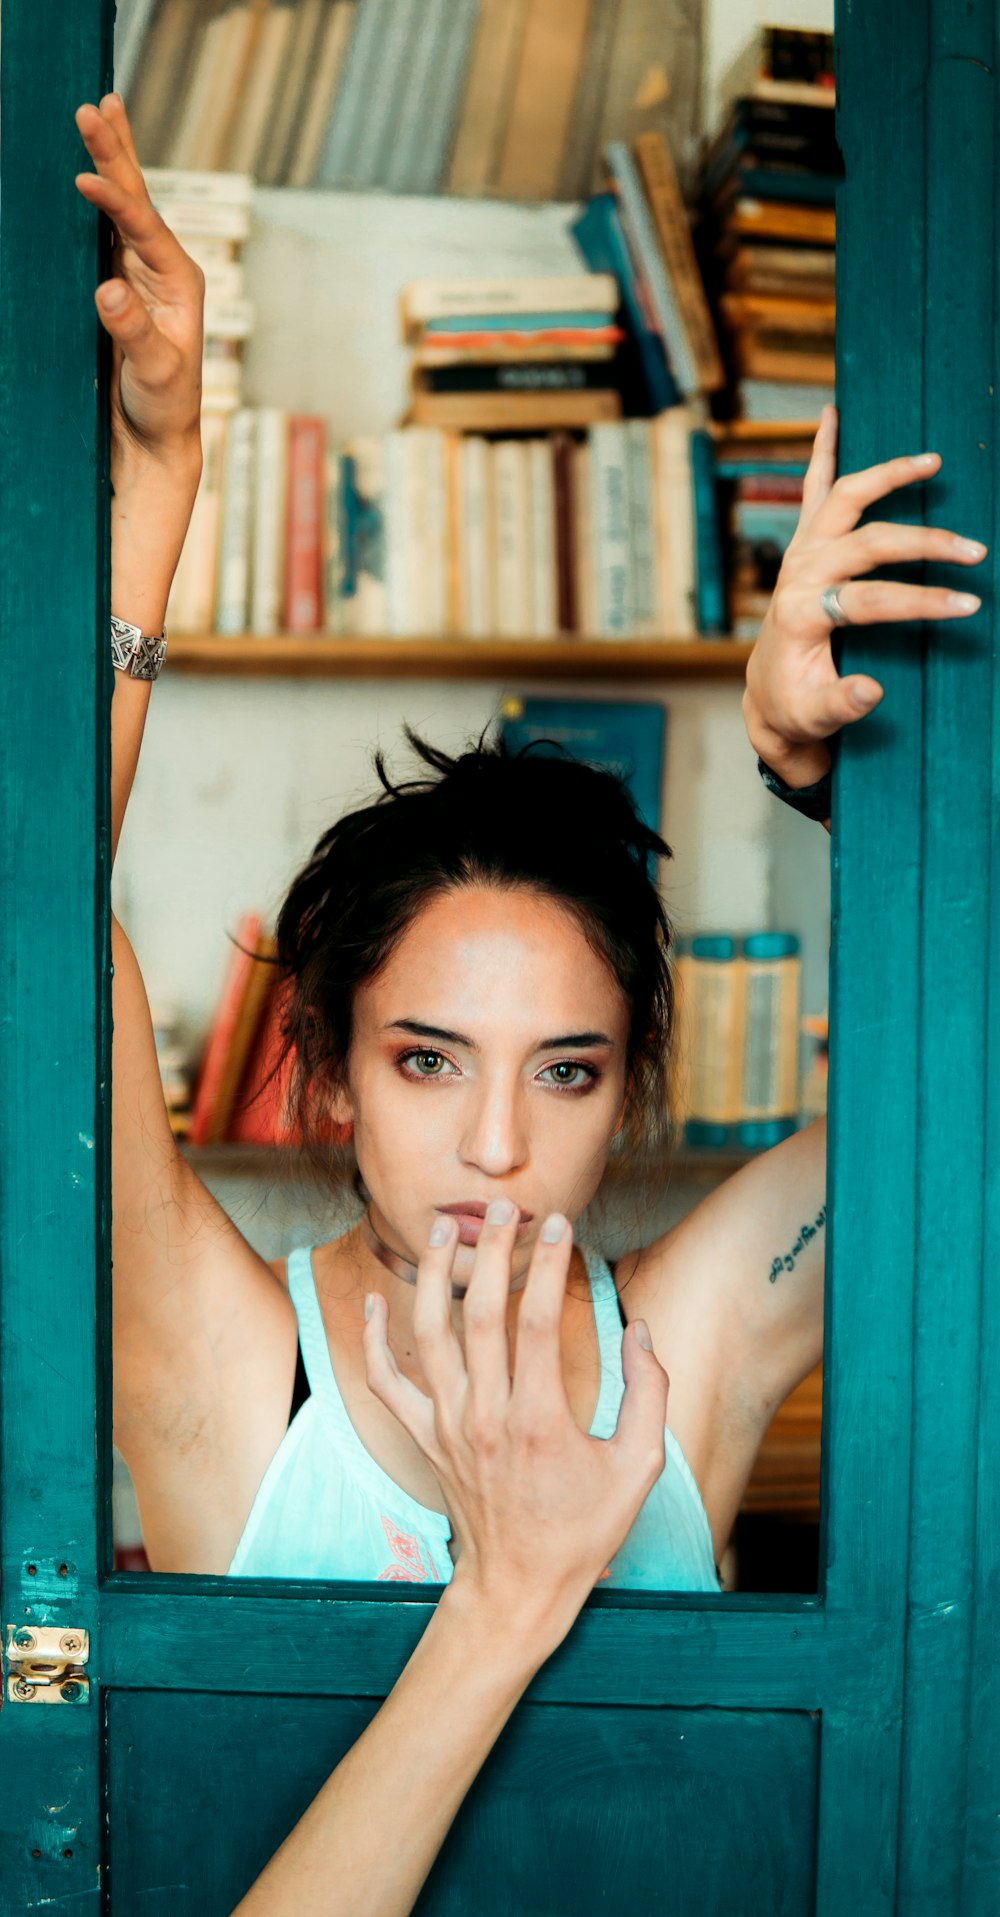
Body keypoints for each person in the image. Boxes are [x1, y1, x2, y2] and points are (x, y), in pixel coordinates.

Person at [75, 89, 986, 1914]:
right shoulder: (237, 1386)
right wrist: (161, 487)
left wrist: (824, 777)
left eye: (565, 1070)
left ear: (633, 1083)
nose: (498, 1143)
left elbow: (971, 1096)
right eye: (427, 1059)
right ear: (325, 1073)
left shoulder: (685, 1353)